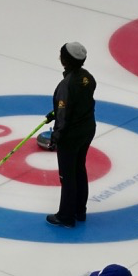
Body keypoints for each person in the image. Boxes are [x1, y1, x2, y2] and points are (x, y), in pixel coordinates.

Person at [46, 42, 95, 229]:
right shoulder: (88, 78)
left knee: (67, 176)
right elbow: (78, 103)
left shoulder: (66, 85)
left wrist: (56, 137)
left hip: (71, 135)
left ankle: (66, 216)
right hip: (87, 129)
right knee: (79, 169)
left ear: (65, 60)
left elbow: (63, 114)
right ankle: (79, 210)